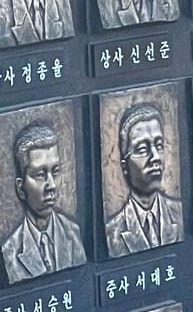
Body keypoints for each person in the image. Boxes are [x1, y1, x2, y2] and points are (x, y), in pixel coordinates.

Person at [3, 122, 86, 283]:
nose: (52, 185)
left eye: (55, 172)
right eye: (40, 175)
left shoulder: (73, 233)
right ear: (21, 188)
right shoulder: (10, 250)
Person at [106, 103, 183, 257]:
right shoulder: (111, 232)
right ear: (124, 166)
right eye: (142, 149)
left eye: (159, 145)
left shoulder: (179, 213)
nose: (155, 157)